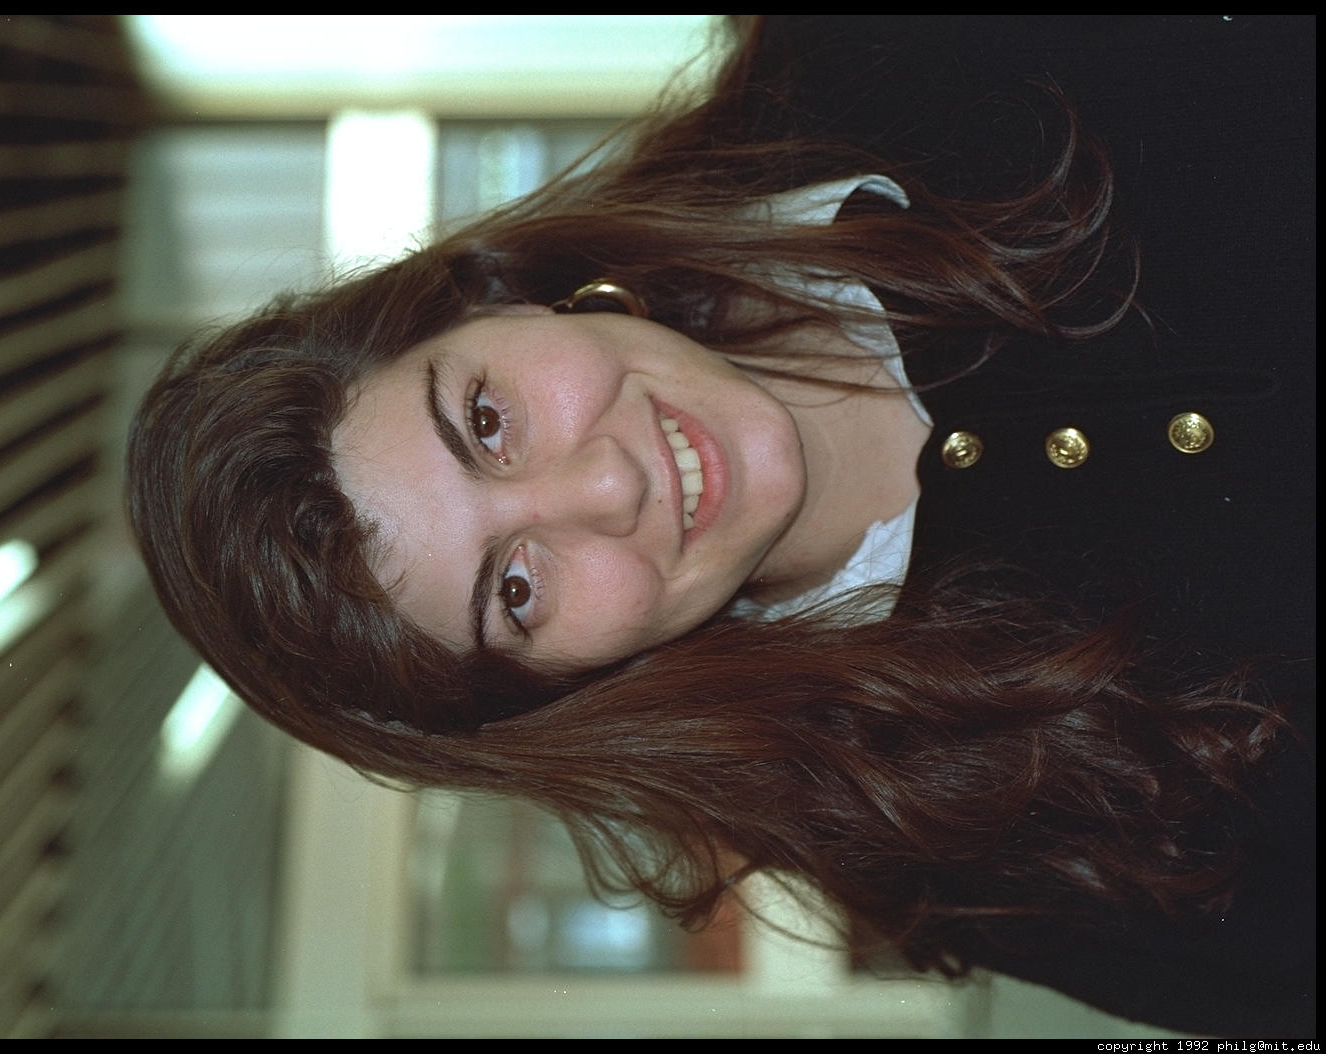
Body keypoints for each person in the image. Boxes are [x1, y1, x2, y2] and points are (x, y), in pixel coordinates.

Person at [126, 16, 1315, 1036]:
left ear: (491, 295)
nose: (605, 489)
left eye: (486, 420)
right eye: (516, 588)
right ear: (556, 690)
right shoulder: (957, 850)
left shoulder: (869, 52)